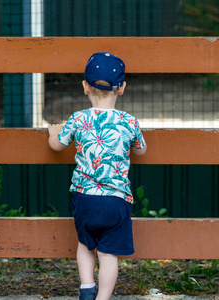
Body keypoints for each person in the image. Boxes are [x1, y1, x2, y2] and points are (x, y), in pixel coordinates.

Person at [48, 52, 147, 300]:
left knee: (85, 245)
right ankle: (102, 297)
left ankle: (86, 287)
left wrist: (52, 132)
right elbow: (141, 149)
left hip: (85, 198)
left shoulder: (77, 119)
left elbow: (57, 146)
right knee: (108, 254)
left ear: (85, 86)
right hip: (116, 200)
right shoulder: (129, 121)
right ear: (122, 88)